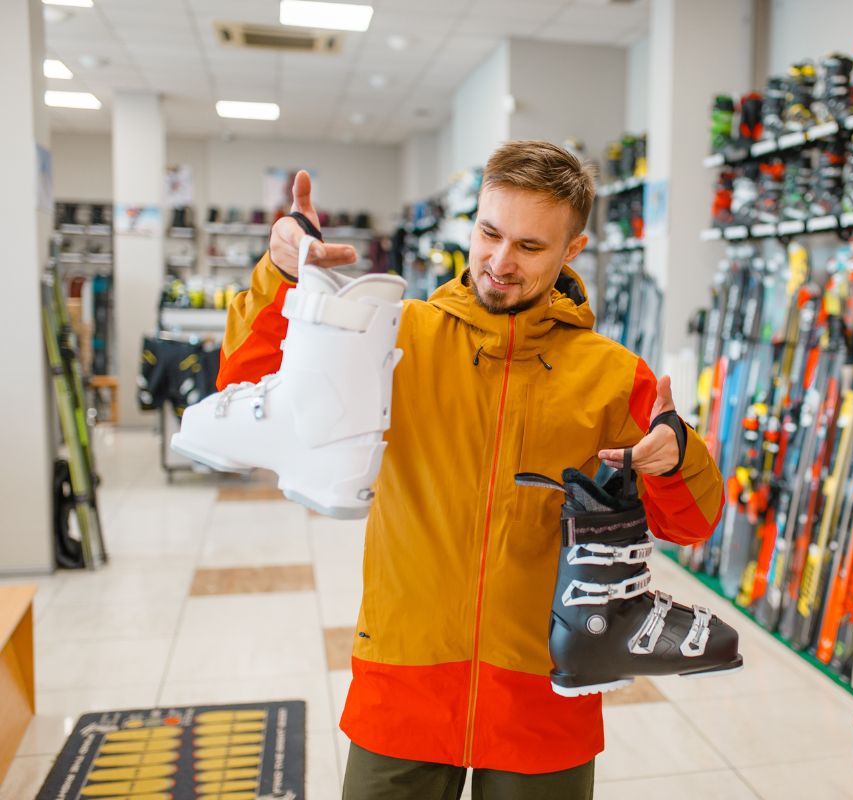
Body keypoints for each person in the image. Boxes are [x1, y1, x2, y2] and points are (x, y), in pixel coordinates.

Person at [216, 140, 724, 800]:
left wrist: (677, 457)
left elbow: (692, 523)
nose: (499, 262)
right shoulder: (394, 335)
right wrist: (281, 276)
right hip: (403, 678)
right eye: (489, 233)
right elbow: (245, 387)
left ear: (572, 251)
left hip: (544, 696)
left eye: (531, 247)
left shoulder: (612, 376)